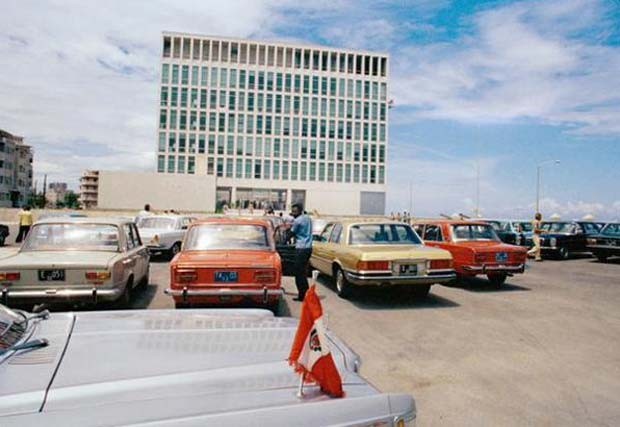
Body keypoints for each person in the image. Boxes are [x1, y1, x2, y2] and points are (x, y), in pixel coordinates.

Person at [285, 203, 313, 301]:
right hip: (308, 248)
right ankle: (306, 293)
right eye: (292, 211)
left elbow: (291, 234)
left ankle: (302, 295)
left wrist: (284, 241)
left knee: (298, 273)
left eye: (295, 211)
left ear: (300, 211)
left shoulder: (297, 221)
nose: (293, 213)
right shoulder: (308, 218)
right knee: (303, 272)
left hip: (301, 248)